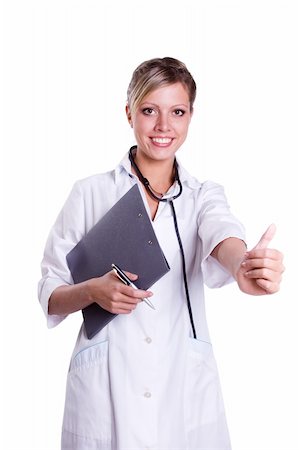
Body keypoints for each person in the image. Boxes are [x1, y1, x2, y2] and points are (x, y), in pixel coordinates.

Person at [38, 57, 284, 450]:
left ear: (191, 117)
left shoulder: (202, 194)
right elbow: (50, 293)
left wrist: (243, 266)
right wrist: (93, 292)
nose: (164, 126)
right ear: (129, 113)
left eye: (178, 112)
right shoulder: (89, 193)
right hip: (107, 384)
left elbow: (221, 231)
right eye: (150, 110)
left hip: (182, 385)